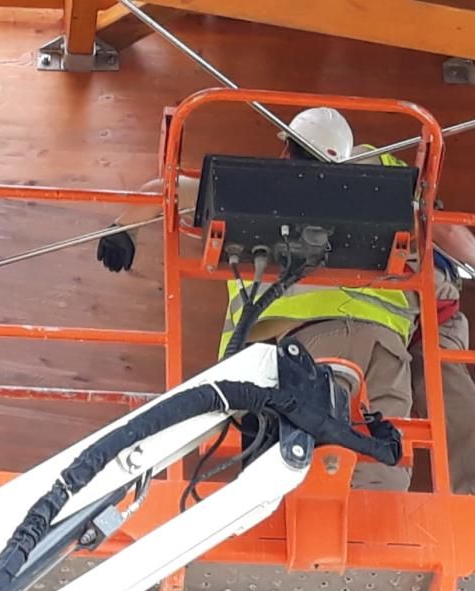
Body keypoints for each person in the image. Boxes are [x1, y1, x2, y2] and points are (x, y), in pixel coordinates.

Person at [98, 108, 416, 492]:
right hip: (386, 348)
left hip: (309, 349)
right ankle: (372, 539)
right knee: (382, 467)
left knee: (291, 472)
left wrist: (121, 230)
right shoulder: (373, 197)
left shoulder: (259, 193)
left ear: (287, 151)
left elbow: (162, 189)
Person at [351, 144, 475, 494]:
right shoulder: (398, 188)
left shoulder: (333, 203)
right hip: (420, 301)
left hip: (380, 311)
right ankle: (471, 490)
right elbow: (447, 231)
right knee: (445, 385)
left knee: (374, 395)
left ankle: (365, 485)